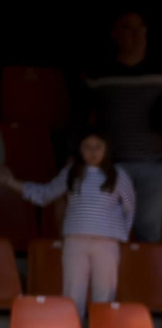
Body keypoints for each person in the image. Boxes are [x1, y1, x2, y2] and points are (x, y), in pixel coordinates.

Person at [0, 130, 134, 316]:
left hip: (107, 242)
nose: (92, 152)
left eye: (98, 147)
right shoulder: (71, 172)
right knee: (72, 293)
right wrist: (12, 182)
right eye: (87, 147)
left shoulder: (119, 175)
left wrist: (121, 235)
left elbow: (129, 207)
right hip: (75, 241)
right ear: (79, 150)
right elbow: (44, 194)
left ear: (107, 149)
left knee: (104, 294)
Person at [82, 10, 162, 244]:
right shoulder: (98, 73)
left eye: (141, 28)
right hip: (111, 165)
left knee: (148, 231)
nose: (137, 34)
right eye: (129, 28)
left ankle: (144, 279)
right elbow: (82, 118)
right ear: (115, 34)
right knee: (107, 232)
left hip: (153, 163)